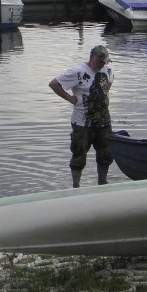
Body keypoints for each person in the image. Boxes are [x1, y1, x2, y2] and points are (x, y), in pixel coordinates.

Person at [49, 45, 115, 188]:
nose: (102, 64)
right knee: (79, 155)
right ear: (91, 57)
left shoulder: (108, 70)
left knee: (106, 154)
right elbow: (54, 84)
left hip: (104, 122)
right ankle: (76, 186)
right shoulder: (78, 72)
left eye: (105, 61)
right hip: (82, 124)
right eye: (100, 60)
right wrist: (70, 98)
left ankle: (102, 183)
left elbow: (108, 86)